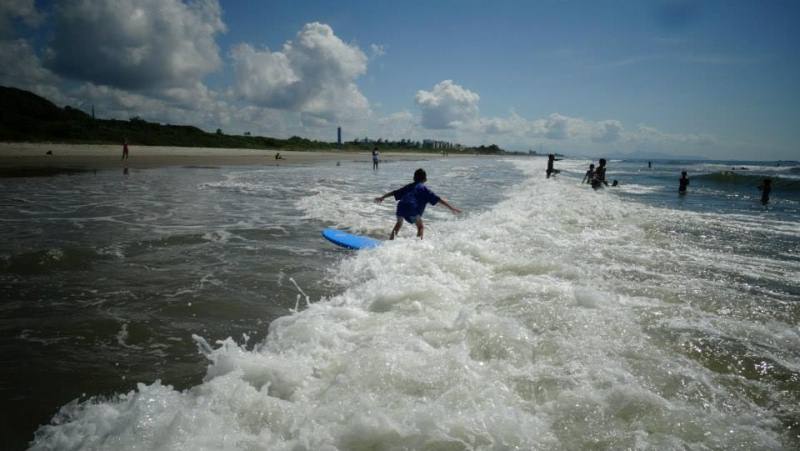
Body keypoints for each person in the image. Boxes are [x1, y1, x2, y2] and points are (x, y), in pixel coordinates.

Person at [374, 168, 461, 240]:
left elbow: (394, 192)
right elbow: (438, 199)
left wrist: (382, 197)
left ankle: (391, 241)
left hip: (401, 206)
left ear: (414, 178)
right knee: (420, 227)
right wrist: (451, 208)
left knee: (399, 224)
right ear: (425, 179)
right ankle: (418, 244)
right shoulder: (424, 189)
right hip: (412, 208)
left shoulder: (408, 186)